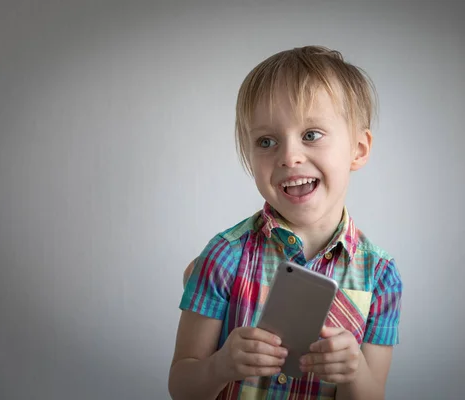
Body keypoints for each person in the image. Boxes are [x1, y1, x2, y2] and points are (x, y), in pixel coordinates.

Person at [168, 45, 403, 400]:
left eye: (311, 134)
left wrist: (353, 371)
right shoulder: (223, 257)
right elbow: (182, 388)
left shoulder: (381, 276)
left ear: (358, 148)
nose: (289, 156)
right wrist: (222, 365)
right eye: (267, 141)